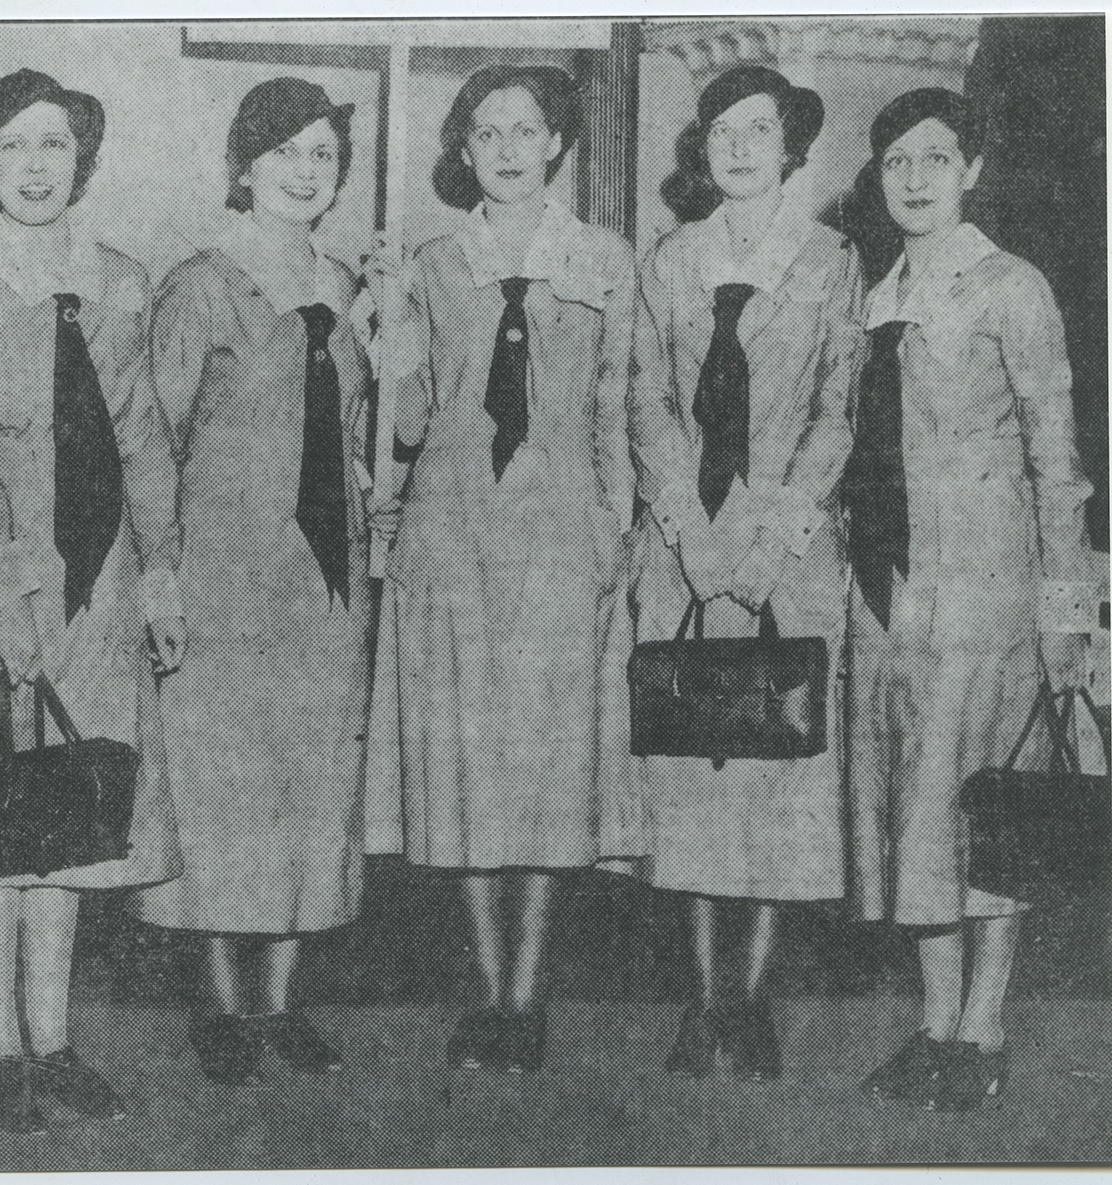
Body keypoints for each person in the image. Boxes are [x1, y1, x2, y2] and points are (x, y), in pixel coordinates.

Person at [363, 64, 636, 1075]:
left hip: (564, 529)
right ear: (465, 149)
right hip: (452, 530)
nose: (509, 148)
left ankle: (532, 990)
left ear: (557, 143)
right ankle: (488, 994)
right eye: (488, 133)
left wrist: (618, 527)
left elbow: (615, 404)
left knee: (550, 768)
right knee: (468, 770)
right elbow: (400, 427)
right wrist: (386, 319)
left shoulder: (605, 259)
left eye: (527, 130)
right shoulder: (432, 263)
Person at [0, 69, 183, 1133]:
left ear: (81, 160)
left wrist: (163, 574)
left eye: (54, 148)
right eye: (14, 150)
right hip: (1, 572)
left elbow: (142, 438)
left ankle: (53, 1035)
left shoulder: (121, 279)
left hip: (108, 574)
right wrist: (10, 590)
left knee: (76, 803)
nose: (37, 168)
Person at [125, 77, 375, 1086]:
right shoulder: (200, 283)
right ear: (246, 166)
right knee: (224, 788)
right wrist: (160, 575)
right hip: (227, 573)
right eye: (287, 154)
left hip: (326, 577)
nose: (306, 171)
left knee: (313, 783)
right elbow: (152, 441)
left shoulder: (351, 285)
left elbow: (357, 434)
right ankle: (221, 1005)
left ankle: (281, 1001)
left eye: (323, 154)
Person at [847, 89, 1093, 1112]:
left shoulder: (1012, 285)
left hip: (990, 585)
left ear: (973, 170)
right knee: (917, 812)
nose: (915, 178)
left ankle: (983, 1028)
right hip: (893, 589)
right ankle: (933, 1021)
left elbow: (1057, 458)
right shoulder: (878, 290)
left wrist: (1068, 612)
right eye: (898, 160)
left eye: (936, 159)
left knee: (989, 810)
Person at [627, 65, 861, 1080]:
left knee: (772, 775)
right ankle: (699, 1000)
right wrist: (691, 532)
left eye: (757, 129)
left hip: (787, 555)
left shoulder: (831, 259)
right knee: (688, 774)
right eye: (721, 129)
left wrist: (771, 541)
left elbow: (836, 411)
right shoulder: (669, 259)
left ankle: (750, 1000)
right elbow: (648, 403)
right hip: (686, 552)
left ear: (790, 145)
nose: (737, 146)